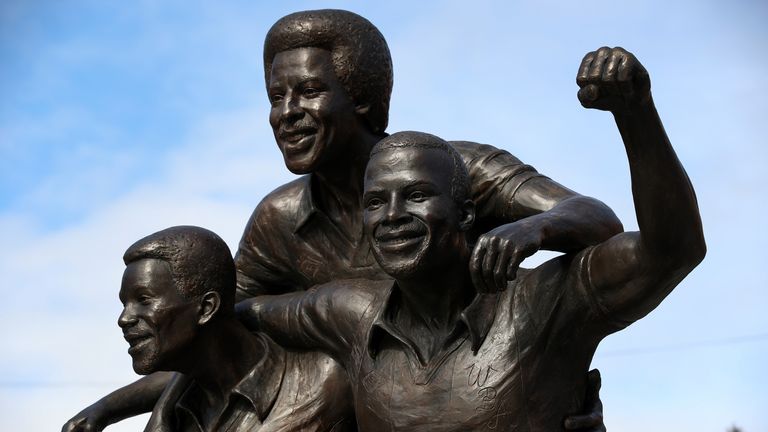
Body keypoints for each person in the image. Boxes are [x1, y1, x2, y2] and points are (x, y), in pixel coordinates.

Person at [63, 10, 621, 431]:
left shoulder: (452, 168)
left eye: (308, 91)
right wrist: (120, 409)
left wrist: (527, 231)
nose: (287, 113)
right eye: (276, 97)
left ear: (361, 99)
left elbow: (596, 219)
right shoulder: (278, 220)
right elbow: (213, 331)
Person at [237, 75, 705, 428]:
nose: (393, 215)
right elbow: (234, 316)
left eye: (417, 196)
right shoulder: (350, 312)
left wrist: (636, 114)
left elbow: (672, 249)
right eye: (375, 203)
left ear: (466, 213)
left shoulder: (545, 300)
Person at [114, 226, 352, 431]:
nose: (124, 319)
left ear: (207, 308)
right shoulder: (175, 419)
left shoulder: (326, 384)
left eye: (144, 300)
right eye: (125, 304)